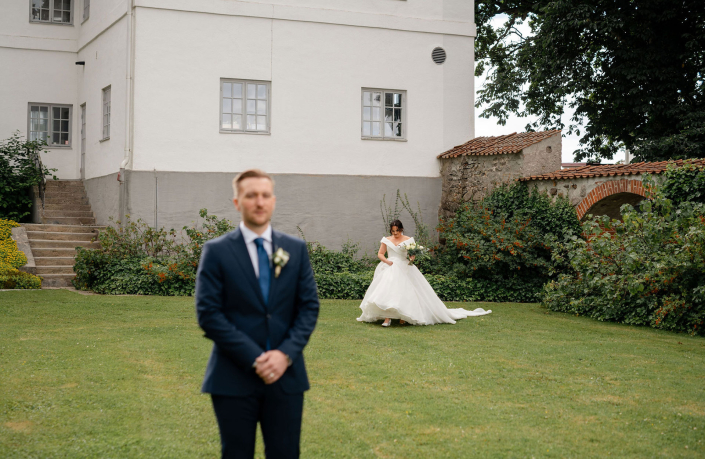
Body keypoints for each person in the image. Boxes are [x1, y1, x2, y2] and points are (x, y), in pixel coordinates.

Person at [196, 169, 319, 459]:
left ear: (273, 201)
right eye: (251, 195)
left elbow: (308, 307)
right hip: (232, 378)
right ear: (238, 202)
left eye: (265, 195)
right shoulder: (216, 251)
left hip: (286, 377)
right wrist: (255, 358)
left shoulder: (295, 249)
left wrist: (284, 354)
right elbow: (209, 314)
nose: (259, 202)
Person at [357, 219, 491, 326]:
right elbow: (380, 254)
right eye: (393, 231)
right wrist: (387, 261)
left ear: (401, 229)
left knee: (406, 292)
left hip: (405, 267)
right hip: (391, 267)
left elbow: (411, 254)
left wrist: (412, 258)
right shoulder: (386, 240)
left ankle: (403, 317)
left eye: (397, 231)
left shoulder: (408, 240)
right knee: (389, 291)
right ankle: (388, 318)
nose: (395, 234)